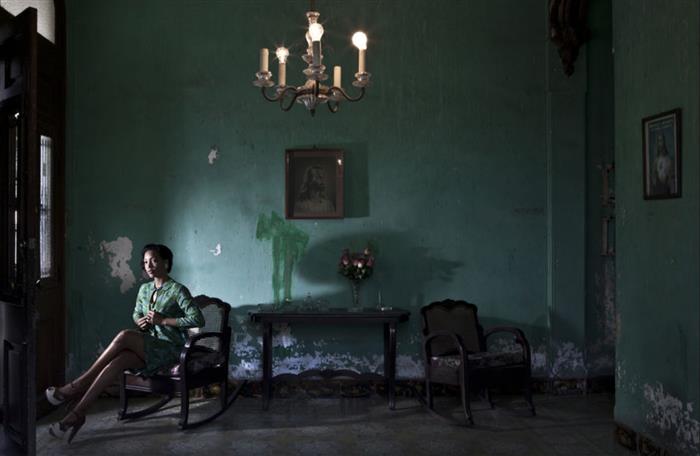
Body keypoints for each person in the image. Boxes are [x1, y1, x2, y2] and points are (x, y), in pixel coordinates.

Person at [46, 243, 204, 443]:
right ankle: (77, 414)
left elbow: (197, 319)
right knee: (117, 362)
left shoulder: (177, 290)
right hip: (149, 346)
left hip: (169, 349)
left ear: (166, 262)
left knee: (124, 336)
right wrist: (140, 320)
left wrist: (163, 320)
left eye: (154, 260)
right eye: (146, 262)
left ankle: (76, 386)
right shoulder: (144, 289)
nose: (149, 265)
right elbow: (137, 313)